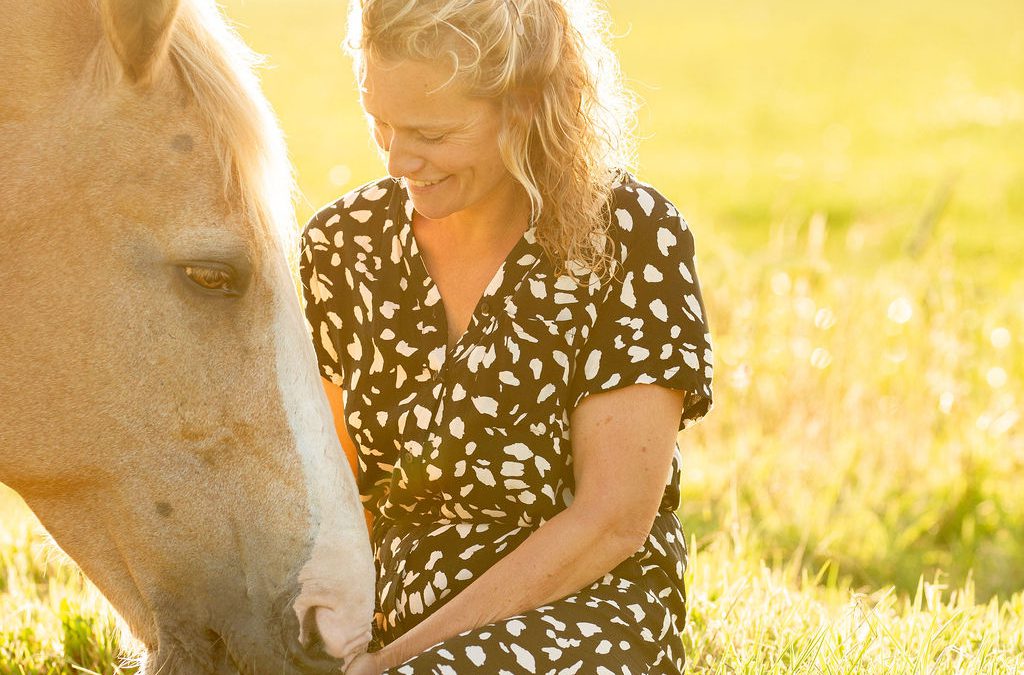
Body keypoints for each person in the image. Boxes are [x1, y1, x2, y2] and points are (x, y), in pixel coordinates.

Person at [299, 0, 713, 672]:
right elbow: (333, 496)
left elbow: (610, 521)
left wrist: (399, 661)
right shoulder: (342, 246)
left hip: (587, 607)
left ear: (521, 106)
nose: (400, 159)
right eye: (380, 124)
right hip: (392, 606)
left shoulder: (632, 236)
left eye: (431, 135)